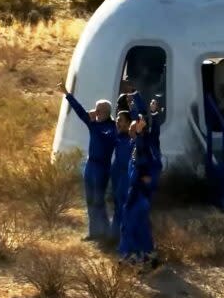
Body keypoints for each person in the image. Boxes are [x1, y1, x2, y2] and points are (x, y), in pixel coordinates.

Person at [58, 82, 116, 240]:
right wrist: (67, 94)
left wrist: (95, 123)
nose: (95, 112)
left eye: (98, 110)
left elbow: (107, 137)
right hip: (91, 165)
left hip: (102, 167)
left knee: (99, 199)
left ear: (104, 111)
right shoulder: (94, 124)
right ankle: (93, 232)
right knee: (90, 198)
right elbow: (79, 111)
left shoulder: (112, 127)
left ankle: (105, 231)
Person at [118, 115, 159, 269]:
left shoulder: (141, 149)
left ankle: (133, 257)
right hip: (139, 194)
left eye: (132, 129)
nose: (129, 130)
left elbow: (142, 152)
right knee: (141, 226)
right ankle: (148, 254)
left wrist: (141, 132)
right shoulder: (137, 148)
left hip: (137, 194)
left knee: (130, 225)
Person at [110, 110, 133, 241]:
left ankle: (123, 236)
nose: (117, 122)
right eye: (117, 119)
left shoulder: (132, 139)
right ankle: (114, 235)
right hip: (116, 173)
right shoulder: (117, 137)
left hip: (126, 174)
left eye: (121, 120)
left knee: (124, 204)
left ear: (129, 123)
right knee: (117, 204)